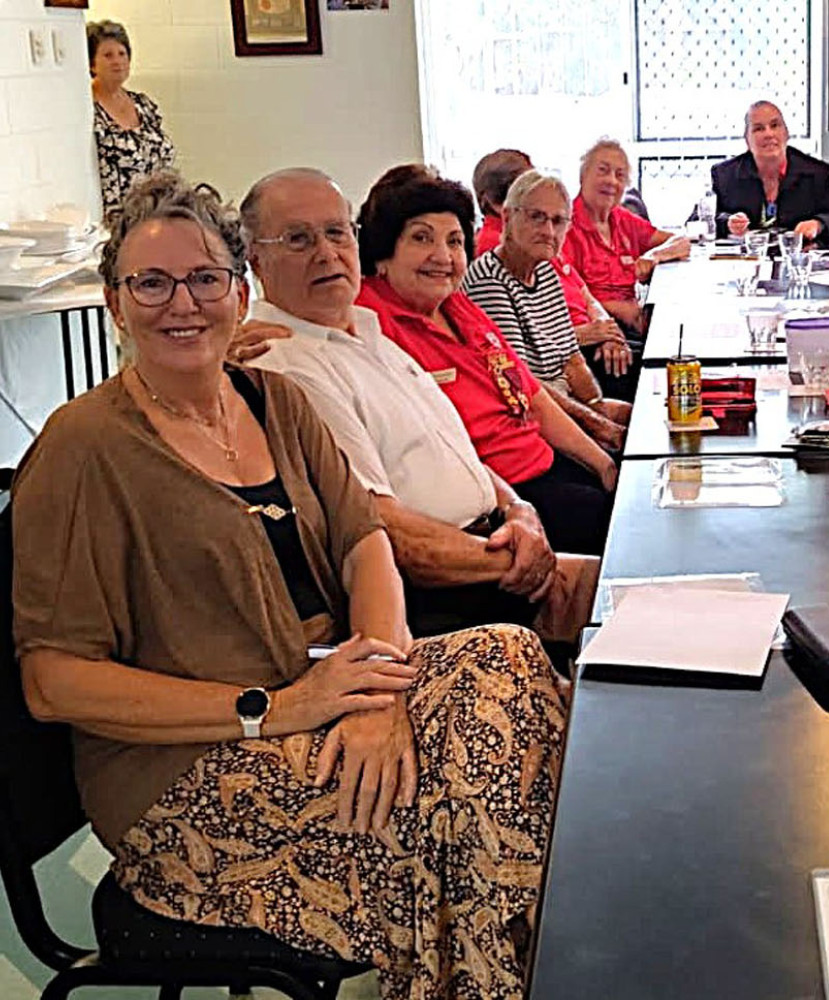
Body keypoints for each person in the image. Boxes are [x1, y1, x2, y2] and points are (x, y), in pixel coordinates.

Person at [10, 171, 565, 999]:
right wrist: (275, 709)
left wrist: (374, 691)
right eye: (151, 283)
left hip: (317, 693)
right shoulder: (81, 447)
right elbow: (53, 683)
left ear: (240, 293)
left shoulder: (272, 400)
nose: (181, 304)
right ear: (115, 304)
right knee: (462, 797)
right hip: (187, 783)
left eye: (203, 279)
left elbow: (363, 544)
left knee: (511, 664)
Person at [234, 166, 599, 641]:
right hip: (443, 596)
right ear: (255, 262)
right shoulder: (287, 363)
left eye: (335, 232)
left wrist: (520, 511)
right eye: (298, 240)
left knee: (650, 596)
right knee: (635, 612)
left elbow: (459, 449)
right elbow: (384, 531)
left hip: (495, 542)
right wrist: (523, 556)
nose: (326, 253)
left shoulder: (369, 332)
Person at [355, 164, 617, 556]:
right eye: (421, 238)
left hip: (543, 463)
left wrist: (602, 464)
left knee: (634, 489)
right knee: (624, 529)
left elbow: (532, 396)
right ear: (383, 250)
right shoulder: (367, 320)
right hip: (496, 503)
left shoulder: (456, 305)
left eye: (455, 241)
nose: (442, 256)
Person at [464, 170, 632, 451]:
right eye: (536, 217)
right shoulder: (489, 280)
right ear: (507, 217)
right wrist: (599, 425)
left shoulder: (546, 271)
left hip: (564, 405)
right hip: (531, 419)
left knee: (650, 419)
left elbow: (573, 360)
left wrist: (596, 406)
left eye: (558, 221)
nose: (548, 231)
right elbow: (524, 384)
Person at [561, 138, 688, 336]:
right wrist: (618, 309)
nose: (612, 181)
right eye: (603, 170)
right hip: (594, 329)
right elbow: (566, 297)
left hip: (634, 323)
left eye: (620, 175)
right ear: (583, 176)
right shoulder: (564, 226)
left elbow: (682, 241)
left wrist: (654, 256)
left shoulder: (621, 219)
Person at [713, 100, 829, 242]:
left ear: (786, 133)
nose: (769, 134)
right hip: (745, 261)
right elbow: (699, 220)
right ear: (747, 139)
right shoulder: (725, 174)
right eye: (758, 129)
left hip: (799, 258)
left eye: (775, 125)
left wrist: (818, 224)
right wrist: (727, 222)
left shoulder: (814, 173)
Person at [88, 20, 176, 218]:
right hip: (116, 221)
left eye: (122, 54)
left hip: (159, 214)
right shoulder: (88, 110)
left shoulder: (143, 104)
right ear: (92, 64)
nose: (117, 61)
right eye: (108, 55)